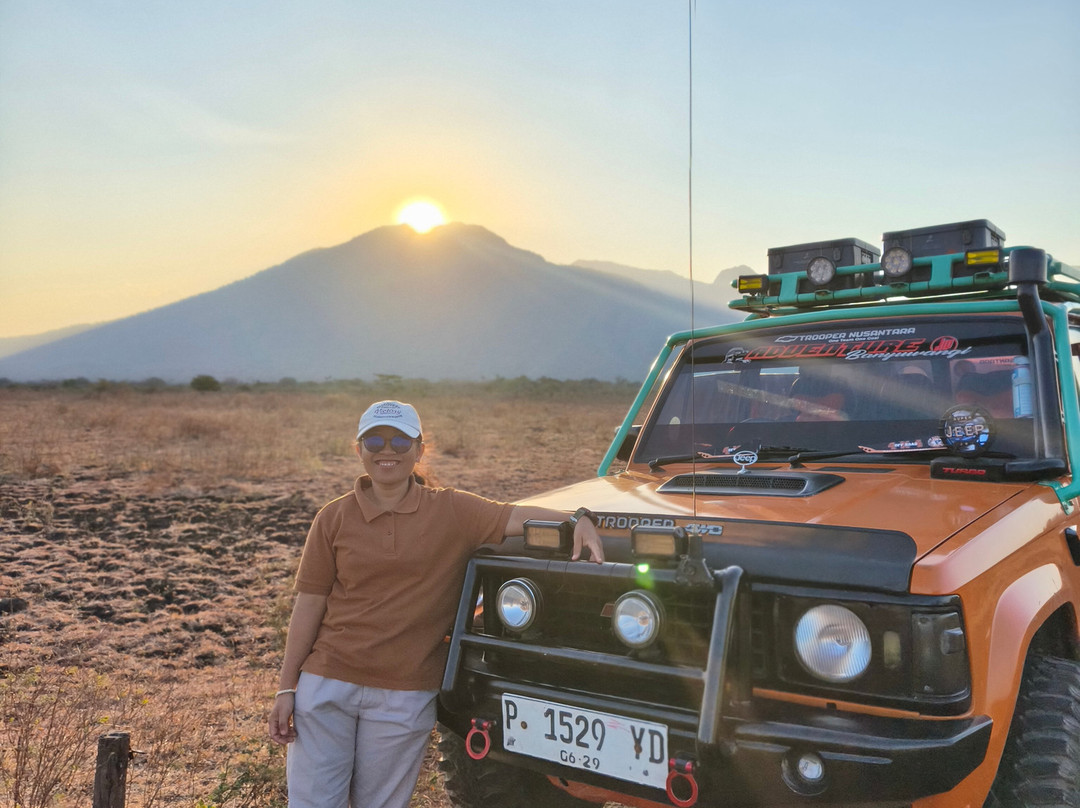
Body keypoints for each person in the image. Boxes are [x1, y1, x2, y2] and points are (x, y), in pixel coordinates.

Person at [267, 400, 604, 808]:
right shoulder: (333, 517)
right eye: (374, 439)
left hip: (404, 693)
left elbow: (516, 516)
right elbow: (309, 605)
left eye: (400, 440)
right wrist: (288, 687)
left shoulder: (453, 510)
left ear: (419, 449)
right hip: (328, 684)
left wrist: (579, 518)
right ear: (359, 449)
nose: (386, 449)